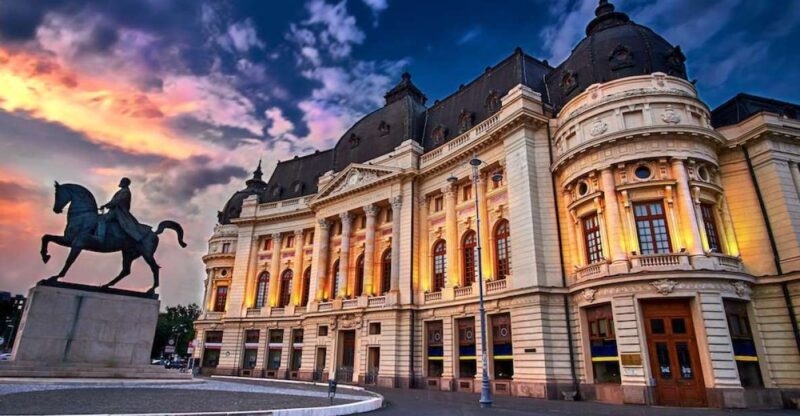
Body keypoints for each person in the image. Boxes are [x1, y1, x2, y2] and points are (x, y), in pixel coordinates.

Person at [96, 177, 145, 242]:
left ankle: (100, 237)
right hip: (115, 211)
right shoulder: (123, 191)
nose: (121, 183)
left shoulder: (125, 192)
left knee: (101, 219)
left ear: (125, 183)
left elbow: (117, 201)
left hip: (118, 212)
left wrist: (105, 205)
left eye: (122, 182)